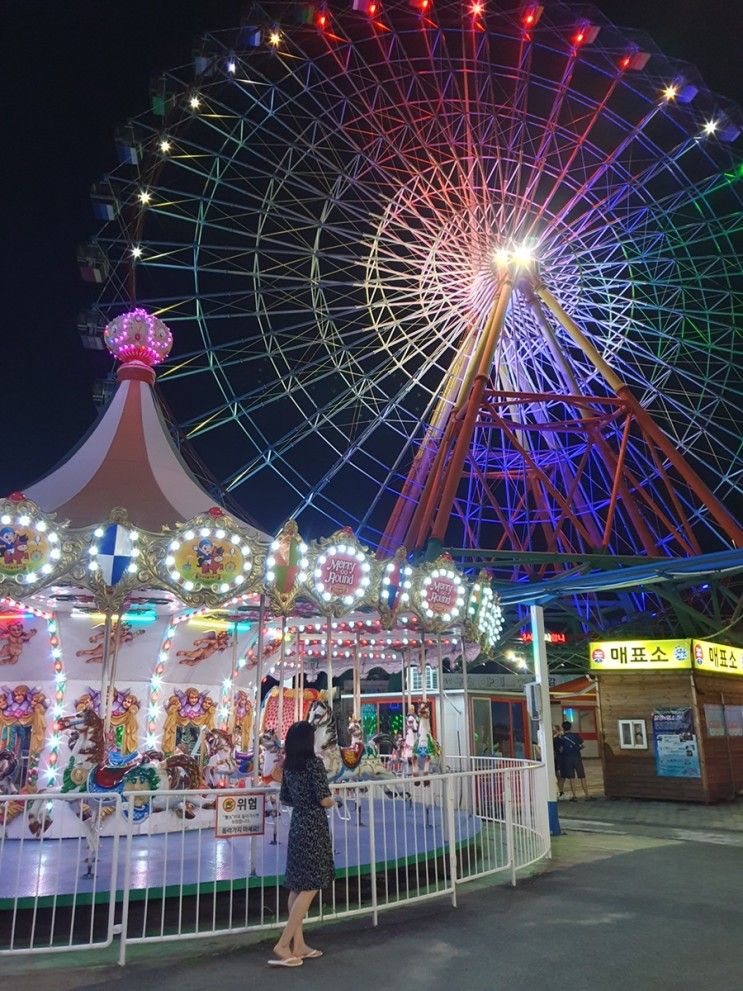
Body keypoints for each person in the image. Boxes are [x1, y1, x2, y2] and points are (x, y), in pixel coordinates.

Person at [270, 720, 335, 967]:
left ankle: (299, 944)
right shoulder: (314, 764)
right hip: (314, 825)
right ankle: (283, 944)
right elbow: (323, 799)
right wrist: (333, 799)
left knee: (297, 885)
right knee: (311, 885)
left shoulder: (288, 767)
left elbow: (286, 797)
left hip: (297, 824)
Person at [556, 720, 593, 800]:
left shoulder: (561, 738)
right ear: (571, 727)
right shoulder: (576, 735)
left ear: (563, 728)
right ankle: (587, 795)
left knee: (571, 777)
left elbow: (561, 750)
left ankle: (574, 796)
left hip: (567, 759)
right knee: (582, 776)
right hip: (577, 758)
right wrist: (578, 748)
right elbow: (581, 743)